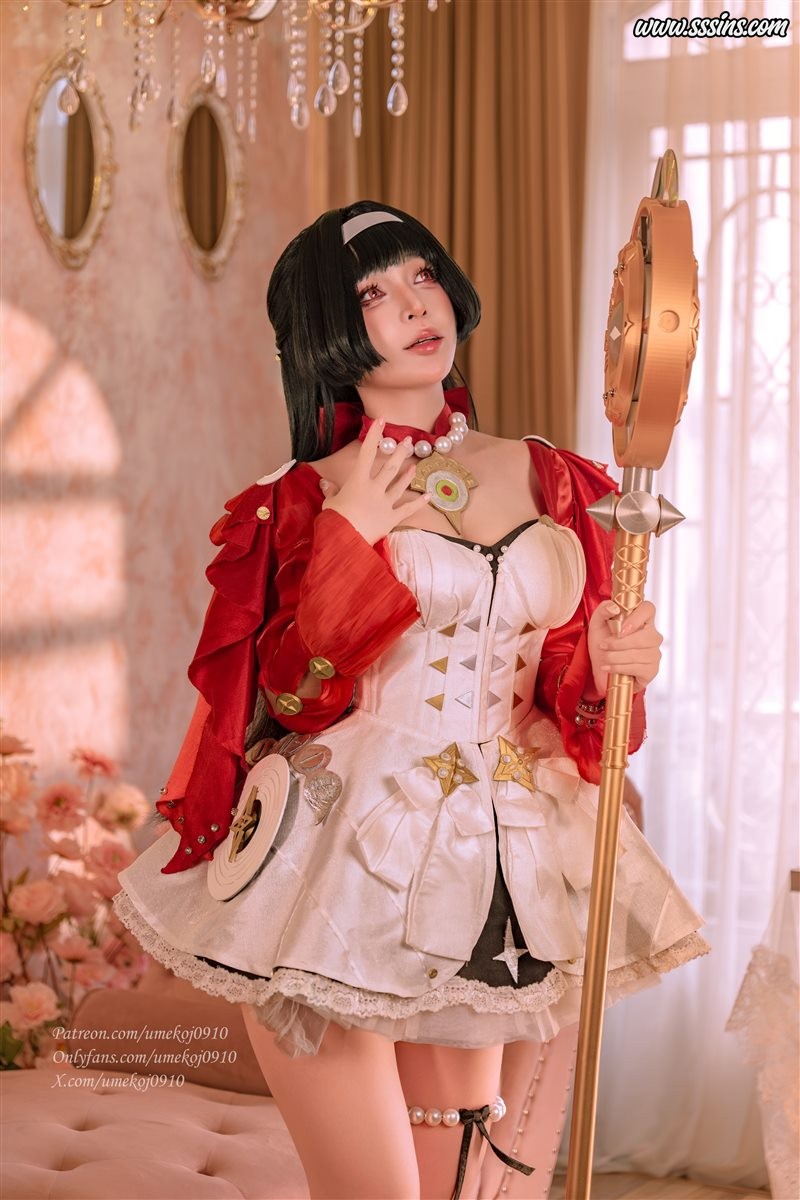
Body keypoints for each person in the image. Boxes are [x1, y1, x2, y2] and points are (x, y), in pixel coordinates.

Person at [114, 201, 709, 1200]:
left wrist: (616, 663)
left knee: (463, 1188)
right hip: (340, 859)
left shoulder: (554, 478)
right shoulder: (299, 496)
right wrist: (346, 535)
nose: (413, 305)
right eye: (372, 294)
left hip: (499, 856)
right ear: (326, 331)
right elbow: (290, 695)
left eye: (422, 275)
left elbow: (573, 704)